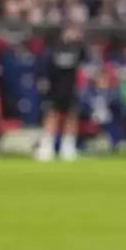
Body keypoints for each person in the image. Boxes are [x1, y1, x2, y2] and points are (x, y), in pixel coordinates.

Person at [35, 22, 86, 162]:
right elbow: (44, 66)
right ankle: (46, 148)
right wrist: (44, 81)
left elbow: (85, 63)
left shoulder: (79, 49)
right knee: (52, 116)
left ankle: (68, 148)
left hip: (71, 87)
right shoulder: (53, 49)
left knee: (71, 117)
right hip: (55, 88)